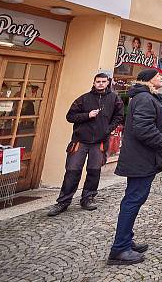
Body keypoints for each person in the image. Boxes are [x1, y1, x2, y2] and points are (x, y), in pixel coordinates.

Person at [107, 68, 162, 266]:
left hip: (142, 158)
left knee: (134, 198)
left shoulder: (147, 97)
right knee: (133, 200)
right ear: (148, 80)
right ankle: (119, 249)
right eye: (157, 76)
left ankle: (126, 240)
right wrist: (161, 143)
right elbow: (143, 127)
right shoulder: (145, 99)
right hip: (141, 159)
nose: (161, 78)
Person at [47, 73, 123, 216]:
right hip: (80, 141)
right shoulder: (84, 99)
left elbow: (119, 116)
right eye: (98, 81)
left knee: (94, 171)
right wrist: (87, 115)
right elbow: (70, 116)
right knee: (72, 171)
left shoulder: (114, 99)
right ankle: (63, 202)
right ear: (94, 83)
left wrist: (108, 129)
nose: (100, 84)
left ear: (108, 83)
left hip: (99, 142)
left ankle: (88, 198)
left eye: (103, 81)